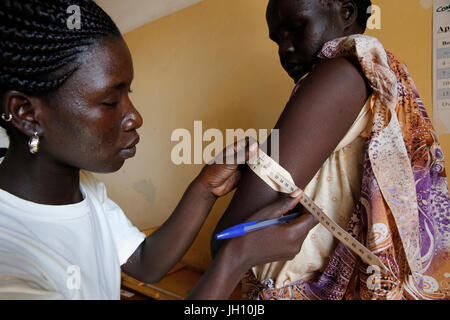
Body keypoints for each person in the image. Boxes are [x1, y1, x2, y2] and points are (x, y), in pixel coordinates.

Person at [0, 0, 319, 300]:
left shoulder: (86, 192)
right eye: (111, 101)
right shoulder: (10, 267)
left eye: (129, 93)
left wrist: (205, 187)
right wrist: (237, 257)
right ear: (27, 114)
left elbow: (146, 262)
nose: (135, 117)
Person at [212, 0, 450, 300]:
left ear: (347, 12)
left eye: (297, 28)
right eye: (277, 39)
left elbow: (228, 240)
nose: (284, 49)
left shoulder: (339, 72)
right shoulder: (383, 72)